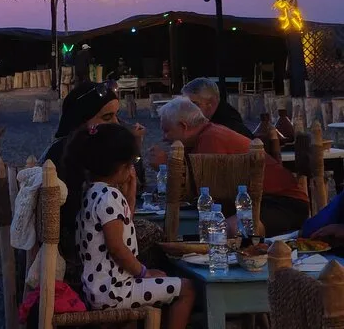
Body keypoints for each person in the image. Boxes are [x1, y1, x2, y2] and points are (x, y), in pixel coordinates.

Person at [40, 80, 164, 293]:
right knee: (154, 233)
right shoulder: (76, 154)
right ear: (82, 120)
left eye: (116, 115)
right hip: (77, 247)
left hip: (82, 236)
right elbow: (110, 217)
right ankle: (140, 288)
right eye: (107, 117)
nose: (116, 123)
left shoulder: (70, 147)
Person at [65, 123, 195, 327]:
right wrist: (144, 273)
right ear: (121, 166)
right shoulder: (109, 196)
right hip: (115, 291)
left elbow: (123, 223)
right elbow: (117, 248)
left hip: (99, 289)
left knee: (165, 279)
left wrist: (130, 195)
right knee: (187, 288)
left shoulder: (91, 192)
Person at [154, 97, 309, 237]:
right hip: (256, 202)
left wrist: (167, 165)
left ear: (184, 126)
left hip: (282, 204)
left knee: (229, 229)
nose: (164, 137)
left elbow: (207, 190)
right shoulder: (202, 137)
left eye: (166, 131)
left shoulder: (211, 138)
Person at [181, 77, 253, 139]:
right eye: (186, 104)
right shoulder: (216, 121)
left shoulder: (226, 128)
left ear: (211, 102)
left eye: (194, 104)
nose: (188, 109)